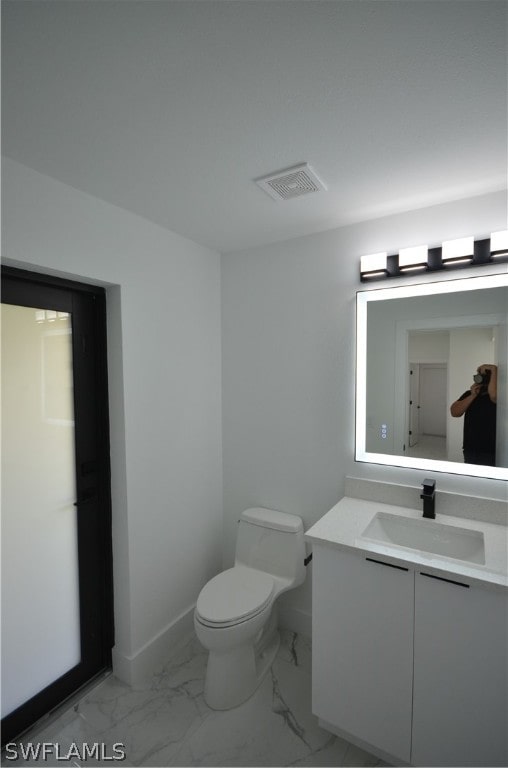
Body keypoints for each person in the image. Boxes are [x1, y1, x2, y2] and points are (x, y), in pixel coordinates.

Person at [450, 364, 497, 466]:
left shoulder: (498, 396)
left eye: (484, 376)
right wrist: (472, 395)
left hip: (490, 450)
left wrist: (493, 369)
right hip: (470, 448)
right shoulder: (469, 393)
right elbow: (454, 412)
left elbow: (493, 395)